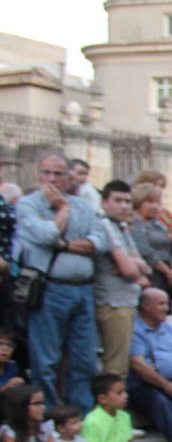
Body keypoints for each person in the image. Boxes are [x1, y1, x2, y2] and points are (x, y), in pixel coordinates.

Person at [15, 152, 106, 411]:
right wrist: (62, 210)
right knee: (46, 360)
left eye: (58, 174)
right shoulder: (28, 204)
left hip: (83, 290)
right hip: (49, 289)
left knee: (84, 359)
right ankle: (50, 415)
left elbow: (99, 241)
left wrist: (65, 244)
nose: (52, 179)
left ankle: (81, 414)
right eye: (47, 173)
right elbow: (46, 235)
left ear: (69, 178)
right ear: (38, 175)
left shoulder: (84, 206)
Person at [94, 180, 152, 378]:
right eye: (118, 200)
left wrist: (133, 265)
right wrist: (131, 266)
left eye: (128, 201)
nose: (124, 206)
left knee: (121, 363)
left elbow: (144, 267)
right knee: (115, 366)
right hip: (113, 303)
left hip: (126, 300)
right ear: (104, 202)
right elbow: (129, 270)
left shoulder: (121, 227)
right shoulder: (105, 225)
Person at [127, 288, 172, 442]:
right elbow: (137, 364)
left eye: (167, 304)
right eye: (161, 304)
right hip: (143, 385)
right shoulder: (136, 329)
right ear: (146, 306)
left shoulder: (169, 329)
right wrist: (165, 385)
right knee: (158, 400)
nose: (166, 309)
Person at [129, 182, 172, 293]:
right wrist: (167, 271)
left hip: (166, 278)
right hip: (150, 276)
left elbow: (170, 244)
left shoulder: (157, 223)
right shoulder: (135, 224)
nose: (156, 207)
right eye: (150, 202)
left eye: (158, 203)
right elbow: (145, 251)